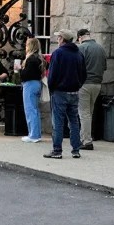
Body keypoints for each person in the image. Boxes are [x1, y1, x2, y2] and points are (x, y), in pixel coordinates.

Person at [43, 30, 85, 159]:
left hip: (60, 92)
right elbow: (83, 74)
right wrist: (77, 85)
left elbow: (52, 74)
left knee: (58, 122)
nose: (57, 39)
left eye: (58, 37)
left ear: (62, 39)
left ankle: (57, 150)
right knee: (74, 122)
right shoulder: (78, 54)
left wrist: (52, 88)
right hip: (74, 91)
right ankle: (76, 150)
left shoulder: (58, 53)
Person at [76, 28, 107, 151]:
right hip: (97, 84)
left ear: (80, 37)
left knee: (84, 113)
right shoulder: (100, 48)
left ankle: (86, 141)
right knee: (89, 112)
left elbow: (77, 67)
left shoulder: (81, 48)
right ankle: (86, 137)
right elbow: (104, 67)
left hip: (84, 83)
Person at [20, 37, 45, 143]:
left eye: (26, 45)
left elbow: (26, 75)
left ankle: (33, 135)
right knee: (35, 110)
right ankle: (36, 134)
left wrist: (19, 70)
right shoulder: (39, 58)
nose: (25, 47)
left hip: (30, 84)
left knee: (30, 110)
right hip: (37, 83)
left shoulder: (30, 59)